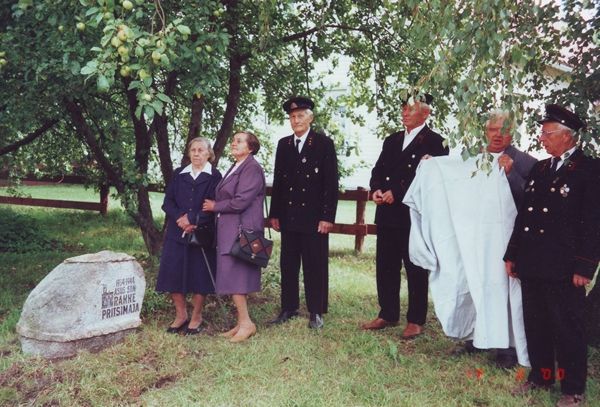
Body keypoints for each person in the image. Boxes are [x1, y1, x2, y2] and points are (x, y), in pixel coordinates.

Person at [505, 104, 600, 406]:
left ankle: (573, 389)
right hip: (533, 261)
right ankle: (541, 377)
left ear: (567, 136)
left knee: (568, 329)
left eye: (547, 133)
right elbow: (524, 216)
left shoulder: (590, 170)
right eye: (542, 133)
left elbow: (594, 222)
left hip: (565, 267)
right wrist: (512, 254)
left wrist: (585, 266)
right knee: (536, 325)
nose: (541, 138)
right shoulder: (541, 168)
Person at [361, 93, 448, 339]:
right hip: (386, 213)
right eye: (403, 108)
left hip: (413, 215)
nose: (405, 113)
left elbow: (431, 180)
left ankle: (416, 319)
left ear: (426, 113)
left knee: (415, 267)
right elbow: (378, 169)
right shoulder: (392, 140)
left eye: (411, 108)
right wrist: (377, 189)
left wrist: (397, 193)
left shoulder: (437, 142)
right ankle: (387, 313)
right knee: (385, 265)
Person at [457, 110, 537, 368]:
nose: (498, 135)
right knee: (477, 281)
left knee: (504, 287)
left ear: (512, 134)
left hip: (507, 238)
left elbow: (532, 202)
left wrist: (511, 173)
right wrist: (431, 164)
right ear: (485, 132)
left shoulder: (527, 162)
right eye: (492, 130)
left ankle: (508, 346)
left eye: (504, 130)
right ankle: (478, 337)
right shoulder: (472, 158)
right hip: (477, 236)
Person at [268, 96, 339, 329]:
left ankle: (316, 311)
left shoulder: (323, 143)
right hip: (289, 216)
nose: (295, 120)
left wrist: (327, 217)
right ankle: (288, 307)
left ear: (310, 118)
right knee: (288, 264)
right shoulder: (284, 144)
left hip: (313, 217)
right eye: (292, 117)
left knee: (314, 264)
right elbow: (279, 181)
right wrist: (275, 214)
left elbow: (330, 183)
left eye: (300, 116)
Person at [203, 131, 266, 343]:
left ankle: (247, 324)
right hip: (231, 228)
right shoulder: (237, 166)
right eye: (233, 140)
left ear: (250, 147)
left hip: (242, 229)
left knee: (237, 275)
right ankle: (241, 323)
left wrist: (215, 206)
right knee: (233, 274)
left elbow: (241, 201)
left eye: (239, 141)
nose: (233, 143)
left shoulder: (252, 168)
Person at [156, 137, 222, 335]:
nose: (196, 153)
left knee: (199, 275)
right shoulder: (179, 174)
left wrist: (192, 219)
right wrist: (180, 218)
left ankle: (196, 316)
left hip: (201, 233)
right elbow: (167, 203)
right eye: (193, 150)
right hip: (177, 231)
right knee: (173, 272)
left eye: (201, 150)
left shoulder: (215, 176)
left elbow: (214, 205)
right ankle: (181, 315)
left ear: (209, 154)